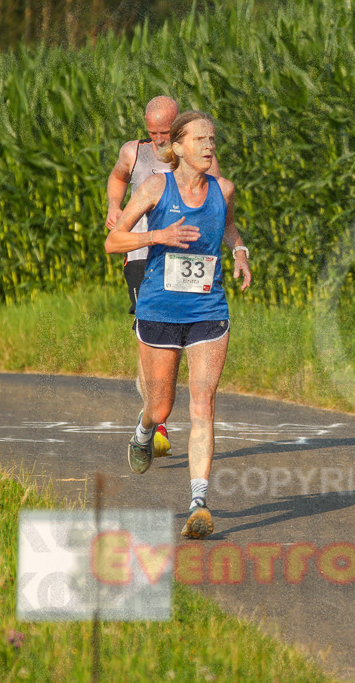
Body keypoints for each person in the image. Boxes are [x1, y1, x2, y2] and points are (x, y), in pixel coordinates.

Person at [105, 110, 251, 539]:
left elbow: (227, 226)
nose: (209, 145)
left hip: (208, 310)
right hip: (159, 311)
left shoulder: (224, 189)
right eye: (200, 139)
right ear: (179, 147)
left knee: (203, 406)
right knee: (161, 407)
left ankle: (198, 504)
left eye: (213, 139)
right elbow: (113, 241)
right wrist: (158, 236)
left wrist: (240, 252)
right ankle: (143, 429)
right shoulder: (156, 187)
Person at [105, 96, 223, 459]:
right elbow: (117, 178)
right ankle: (154, 418)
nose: (158, 139)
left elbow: (220, 203)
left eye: (164, 133)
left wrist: (236, 249)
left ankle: (157, 413)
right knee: (149, 334)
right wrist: (114, 206)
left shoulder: (201, 155)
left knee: (199, 394)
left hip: (189, 259)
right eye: (152, 132)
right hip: (143, 255)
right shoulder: (133, 152)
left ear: (177, 132)